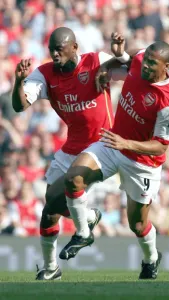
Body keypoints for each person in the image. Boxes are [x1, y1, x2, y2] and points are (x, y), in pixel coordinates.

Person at [60, 32, 169, 280]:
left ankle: (151, 260)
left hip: (142, 164)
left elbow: (160, 146)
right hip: (113, 143)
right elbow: (130, 60)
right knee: (73, 179)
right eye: (145, 59)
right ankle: (84, 232)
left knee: (137, 225)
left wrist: (126, 142)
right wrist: (114, 58)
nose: (146, 65)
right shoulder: (139, 60)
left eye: (152, 63)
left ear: (166, 67)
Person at [12, 27, 125, 281]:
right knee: (50, 205)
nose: (54, 53)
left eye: (59, 48)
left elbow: (131, 72)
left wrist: (121, 55)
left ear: (74, 47)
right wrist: (19, 81)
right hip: (72, 147)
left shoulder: (95, 61)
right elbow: (19, 106)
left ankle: (83, 229)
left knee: (70, 184)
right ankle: (52, 267)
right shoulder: (45, 74)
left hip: (103, 145)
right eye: (51, 48)